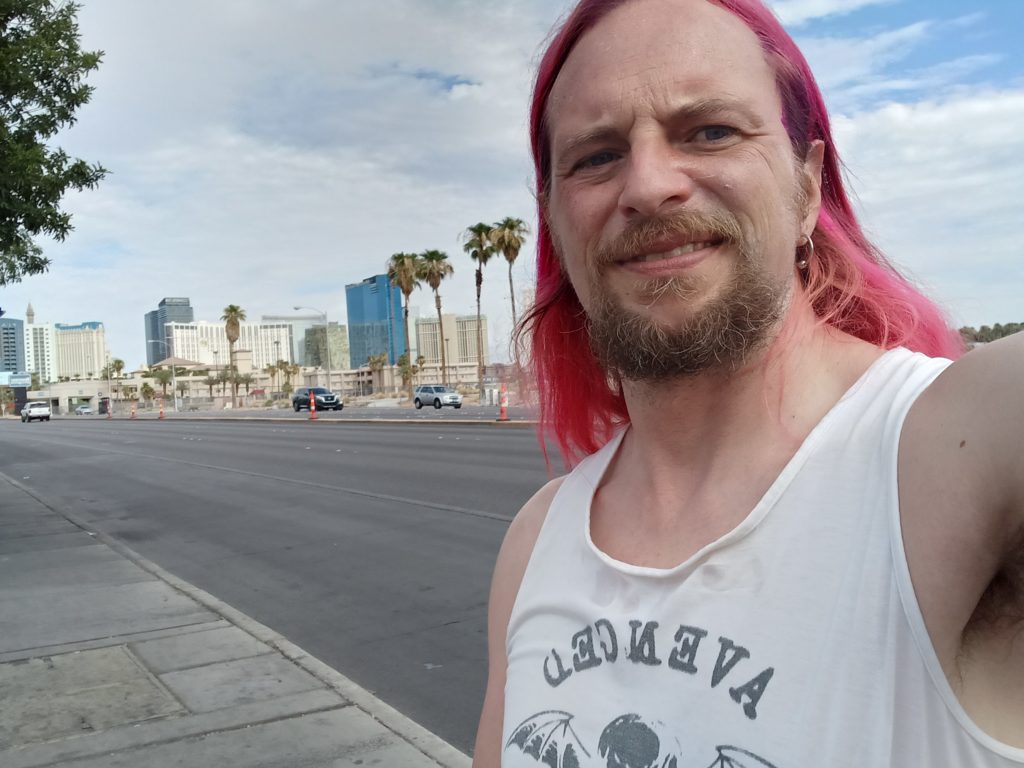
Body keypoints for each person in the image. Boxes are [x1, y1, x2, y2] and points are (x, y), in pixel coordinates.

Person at [472, 0, 1024, 765]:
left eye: (710, 132)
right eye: (596, 155)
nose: (650, 184)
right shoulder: (535, 545)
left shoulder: (955, 454)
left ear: (806, 188)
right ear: (557, 229)